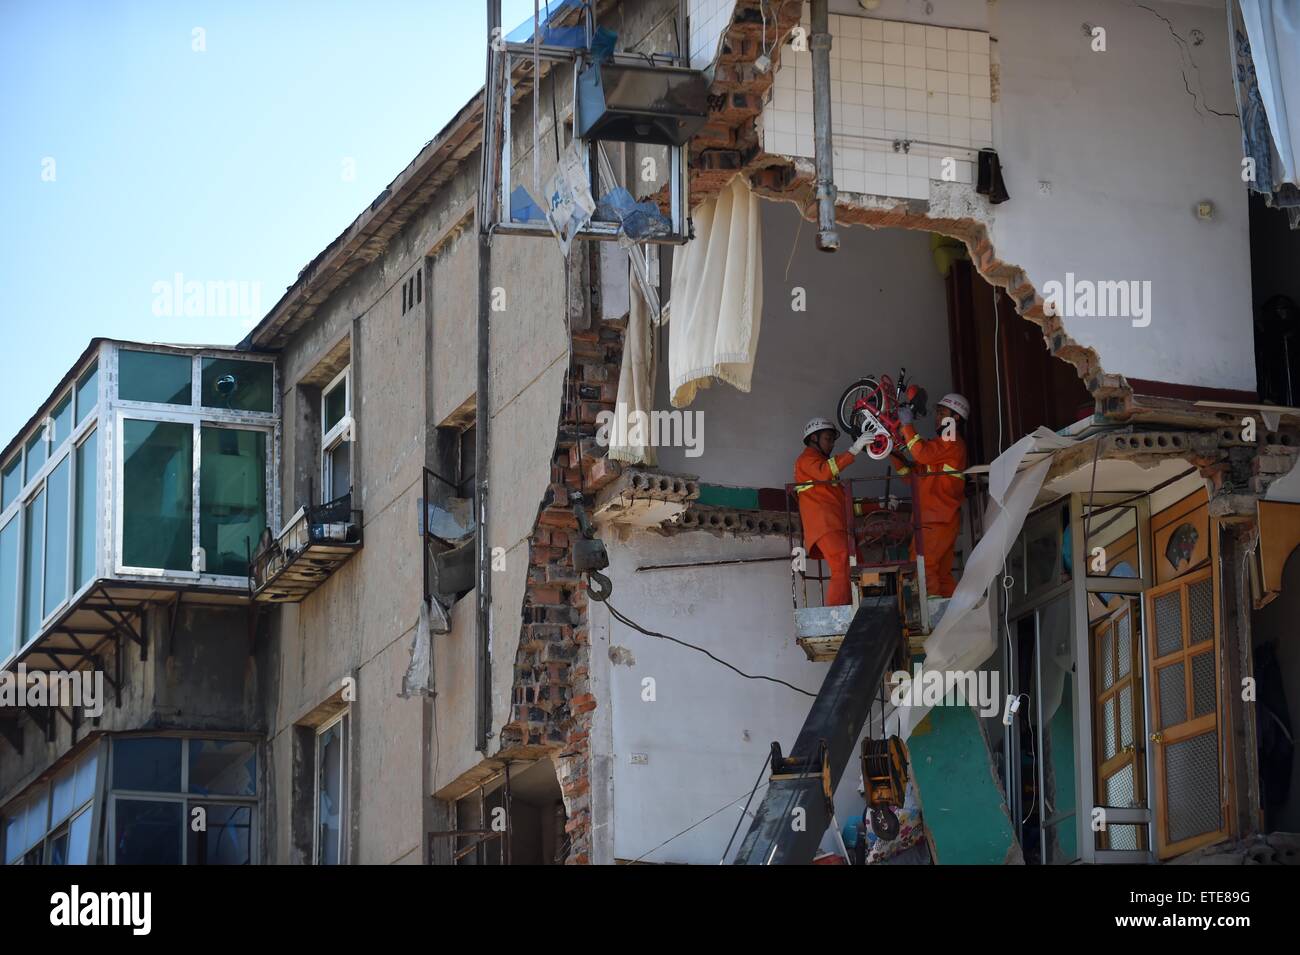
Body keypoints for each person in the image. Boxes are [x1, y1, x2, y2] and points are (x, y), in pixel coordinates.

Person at [889, 393, 969, 598]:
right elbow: (911, 477)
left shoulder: (950, 439)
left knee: (924, 565)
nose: (937, 416)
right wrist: (892, 452)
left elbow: (922, 453)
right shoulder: (941, 446)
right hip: (938, 517)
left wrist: (907, 426)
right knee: (940, 574)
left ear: (956, 417)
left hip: (936, 517)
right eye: (938, 412)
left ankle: (931, 618)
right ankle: (951, 613)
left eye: (942, 413)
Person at [794, 417, 873, 606]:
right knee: (842, 565)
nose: (831, 444)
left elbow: (844, 503)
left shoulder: (826, 467)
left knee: (859, 564)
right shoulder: (806, 460)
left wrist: (879, 506)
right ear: (814, 438)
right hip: (825, 526)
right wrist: (854, 450)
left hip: (837, 525)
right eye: (828, 438)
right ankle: (836, 613)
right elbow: (824, 472)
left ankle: (870, 603)